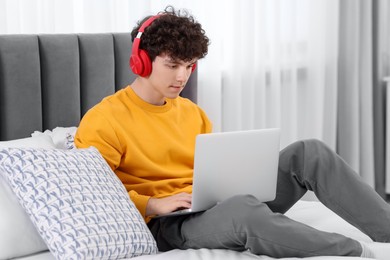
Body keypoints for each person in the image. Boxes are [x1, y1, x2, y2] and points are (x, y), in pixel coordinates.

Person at [75, 6, 390, 259]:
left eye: (190, 66)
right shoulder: (105, 119)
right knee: (243, 211)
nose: (182, 76)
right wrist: (153, 205)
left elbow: (216, 169)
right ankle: (359, 252)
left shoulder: (191, 112)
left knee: (311, 151)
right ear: (141, 61)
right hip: (169, 223)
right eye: (173, 65)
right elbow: (92, 197)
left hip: (212, 205)